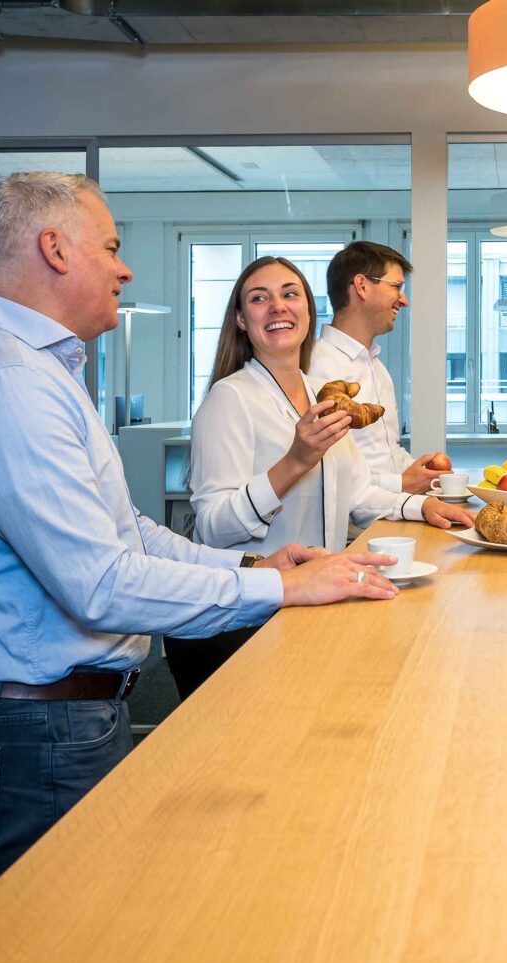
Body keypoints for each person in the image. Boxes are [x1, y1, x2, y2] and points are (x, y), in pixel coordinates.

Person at [0, 173, 400, 875]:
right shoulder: (19, 383)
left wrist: (260, 569)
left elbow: (133, 532)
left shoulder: (50, 373)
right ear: (55, 250)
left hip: (88, 709)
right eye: (113, 247)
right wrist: (277, 587)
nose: (125, 268)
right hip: (50, 722)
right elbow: (102, 581)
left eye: (290, 294)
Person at [171, 256, 475, 697]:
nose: (278, 307)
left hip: (315, 605)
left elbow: (355, 493)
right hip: (252, 618)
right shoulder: (229, 398)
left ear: (309, 312)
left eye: (290, 294)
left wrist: (422, 505)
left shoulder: (320, 395)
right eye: (260, 299)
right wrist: (296, 459)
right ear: (240, 319)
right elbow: (213, 527)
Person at [310, 240, 444, 495]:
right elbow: (323, 476)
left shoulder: (377, 367)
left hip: (390, 517)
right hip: (351, 533)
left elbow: (384, 453)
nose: (403, 300)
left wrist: (422, 472)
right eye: (397, 287)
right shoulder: (316, 368)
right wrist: (401, 484)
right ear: (361, 286)